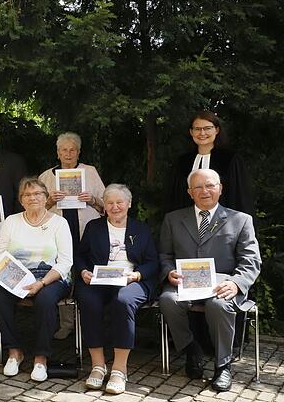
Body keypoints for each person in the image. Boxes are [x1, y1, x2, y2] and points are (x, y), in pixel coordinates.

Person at [159, 169, 260, 392]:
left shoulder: (241, 220)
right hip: (185, 282)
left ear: (220, 188)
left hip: (222, 283)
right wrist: (168, 272)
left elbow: (251, 261)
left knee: (218, 304)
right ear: (189, 192)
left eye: (210, 185)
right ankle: (190, 349)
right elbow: (165, 255)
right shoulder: (173, 219)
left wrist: (236, 283)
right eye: (198, 187)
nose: (204, 191)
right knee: (167, 300)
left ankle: (223, 365)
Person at [74, 184, 159, 394]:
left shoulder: (141, 229)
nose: (115, 207)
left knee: (124, 301)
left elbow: (153, 261)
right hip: (99, 280)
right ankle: (98, 366)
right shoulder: (94, 227)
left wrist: (137, 275)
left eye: (119, 202)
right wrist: (84, 271)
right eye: (110, 203)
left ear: (129, 204)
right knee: (88, 300)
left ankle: (120, 369)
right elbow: (80, 255)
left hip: (132, 280)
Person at [0, 177, 72, 382]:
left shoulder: (59, 223)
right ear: (21, 200)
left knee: (45, 300)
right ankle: (14, 351)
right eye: (27, 195)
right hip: (16, 276)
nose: (32, 197)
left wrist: (42, 282)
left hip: (51, 277)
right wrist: (16, 280)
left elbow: (65, 262)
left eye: (37, 193)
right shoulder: (12, 221)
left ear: (46, 198)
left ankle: (41, 357)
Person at [38, 132, 104, 339]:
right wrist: (49, 202)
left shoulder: (89, 172)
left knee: (85, 275)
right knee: (62, 275)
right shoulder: (46, 176)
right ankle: (67, 324)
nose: (68, 153)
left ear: (78, 152)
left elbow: (106, 206)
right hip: (57, 234)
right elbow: (35, 210)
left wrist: (92, 199)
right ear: (57, 153)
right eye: (64, 150)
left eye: (72, 150)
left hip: (85, 232)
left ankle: (89, 324)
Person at [165, 111, 254, 216]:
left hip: (223, 224)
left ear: (216, 130)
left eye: (207, 128)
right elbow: (174, 198)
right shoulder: (182, 162)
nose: (202, 133)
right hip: (187, 224)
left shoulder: (230, 160)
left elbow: (240, 196)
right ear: (191, 132)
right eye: (197, 129)